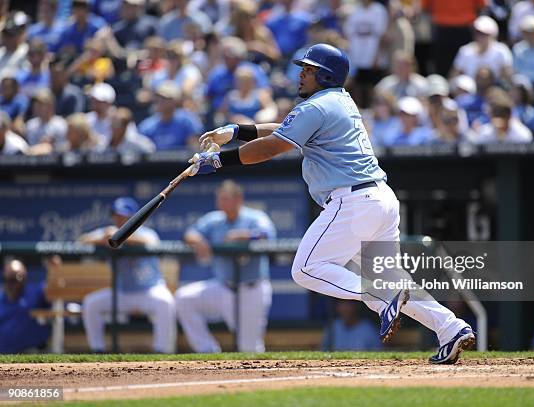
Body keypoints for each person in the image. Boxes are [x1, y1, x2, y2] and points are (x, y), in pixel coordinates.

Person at [192, 43, 475, 364]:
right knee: (390, 282)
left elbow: (272, 147)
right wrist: (238, 131)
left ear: (325, 75)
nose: (301, 75)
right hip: (378, 199)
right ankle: (450, 328)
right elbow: (287, 129)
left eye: (309, 70)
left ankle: (385, 300)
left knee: (306, 269)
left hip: (352, 200)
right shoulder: (336, 101)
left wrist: (218, 162)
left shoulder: (317, 106)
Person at [176, 180, 276, 352]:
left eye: (225, 199)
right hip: (222, 287)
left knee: (249, 349)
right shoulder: (214, 220)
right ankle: (208, 351)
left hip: (251, 289)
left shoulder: (255, 217)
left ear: (238, 199)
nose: (220, 203)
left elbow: (267, 235)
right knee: (184, 298)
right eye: (219, 199)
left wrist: (244, 236)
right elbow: (190, 233)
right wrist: (198, 240)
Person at [80, 197, 176, 353]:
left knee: (165, 302)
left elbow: (150, 243)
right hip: (122, 293)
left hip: (149, 291)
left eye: (124, 216)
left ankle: (161, 351)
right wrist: (101, 239)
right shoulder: (109, 231)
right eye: (116, 215)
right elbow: (82, 240)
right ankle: (98, 350)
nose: (119, 219)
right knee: (91, 303)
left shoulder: (146, 233)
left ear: (135, 217)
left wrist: (122, 237)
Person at [420, 0, 487, 76]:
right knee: (444, 68)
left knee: (464, 65)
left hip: (458, 27)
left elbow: (425, 8)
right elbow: (481, 6)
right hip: (448, 28)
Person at [0, 260, 51, 353]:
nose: (9, 284)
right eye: (6, 279)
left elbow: (53, 287)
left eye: (14, 280)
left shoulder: (36, 293)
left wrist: (54, 270)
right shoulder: (1, 298)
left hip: (31, 351)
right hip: (3, 353)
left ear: (24, 278)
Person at [138, 81, 201, 150]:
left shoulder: (187, 121)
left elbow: (195, 149)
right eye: (158, 98)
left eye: (164, 98)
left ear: (175, 100)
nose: (160, 101)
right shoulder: (147, 126)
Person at [451, 16, 513, 82]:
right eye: (478, 33)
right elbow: (454, 76)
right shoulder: (465, 51)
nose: (480, 37)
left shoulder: (501, 51)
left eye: (485, 34)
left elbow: (508, 76)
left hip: (494, 89)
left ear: (493, 35)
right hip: (470, 90)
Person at [25, 89, 67, 154]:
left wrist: (52, 145)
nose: (36, 107)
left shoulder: (61, 124)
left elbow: (66, 147)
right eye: (36, 104)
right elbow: (29, 147)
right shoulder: (30, 125)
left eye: (41, 104)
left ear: (51, 106)